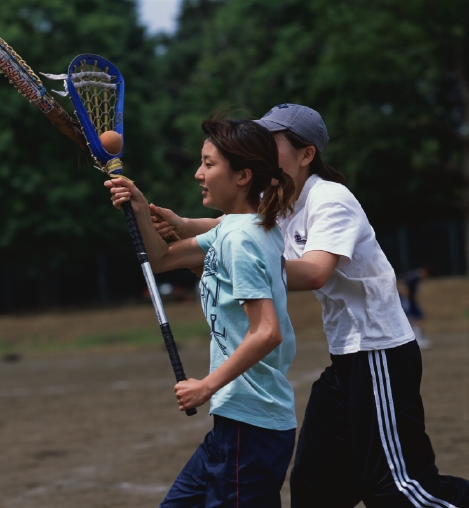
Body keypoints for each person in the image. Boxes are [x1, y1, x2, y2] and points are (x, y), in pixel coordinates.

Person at [148, 104, 469, 507]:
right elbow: (235, 227)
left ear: (306, 154)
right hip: (346, 359)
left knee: (397, 490)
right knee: (316, 489)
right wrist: (183, 223)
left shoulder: (330, 199)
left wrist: (243, 261)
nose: (261, 148)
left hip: (379, 354)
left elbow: (314, 272)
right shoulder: (277, 197)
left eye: (272, 141)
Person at [106, 117, 298, 507]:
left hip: (253, 427)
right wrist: (141, 207)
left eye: (209, 164)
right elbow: (161, 259)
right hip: (235, 426)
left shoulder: (240, 239)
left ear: (243, 175)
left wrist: (205, 386)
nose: (199, 173)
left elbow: (267, 332)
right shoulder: (233, 228)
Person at [400, 267, 432, 349]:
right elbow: (405, 289)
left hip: (409, 301)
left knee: (418, 318)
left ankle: (417, 338)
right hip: (408, 301)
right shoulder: (414, 277)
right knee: (417, 318)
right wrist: (406, 301)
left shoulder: (414, 276)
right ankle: (417, 339)